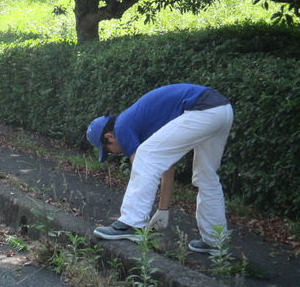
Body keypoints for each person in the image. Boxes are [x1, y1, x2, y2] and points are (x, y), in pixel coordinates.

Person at [86, 83, 233, 255]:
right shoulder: (143, 123)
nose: (113, 153)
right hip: (222, 110)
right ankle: (215, 242)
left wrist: (141, 215)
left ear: (109, 136)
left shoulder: (122, 126)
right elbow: (167, 167)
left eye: (108, 150)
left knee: (145, 155)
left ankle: (131, 224)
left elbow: (143, 164)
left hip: (202, 109)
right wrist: (163, 209)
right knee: (206, 177)